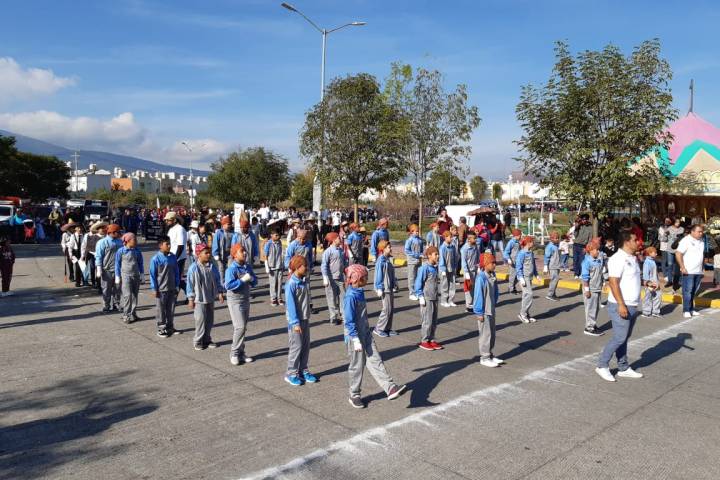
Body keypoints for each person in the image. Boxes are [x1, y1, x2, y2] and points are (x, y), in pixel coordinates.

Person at [344, 264, 406, 408]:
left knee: (375, 359)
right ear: (357, 278)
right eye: (364, 277)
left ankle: (390, 387)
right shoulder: (350, 297)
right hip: (355, 337)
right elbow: (349, 320)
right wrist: (354, 339)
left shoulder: (359, 292)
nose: (367, 278)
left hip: (365, 333)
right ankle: (354, 395)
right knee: (357, 365)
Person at [596, 231, 644, 382]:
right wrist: (621, 305)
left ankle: (623, 367)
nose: (638, 242)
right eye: (635, 240)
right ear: (627, 242)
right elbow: (613, 282)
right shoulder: (618, 258)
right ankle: (602, 365)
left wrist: (648, 284)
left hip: (632, 304)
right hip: (620, 305)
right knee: (619, 337)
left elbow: (633, 279)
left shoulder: (633, 258)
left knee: (624, 337)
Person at [284, 255, 316, 386]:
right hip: (296, 322)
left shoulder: (303, 281)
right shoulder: (291, 284)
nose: (307, 268)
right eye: (305, 266)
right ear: (297, 267)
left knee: (305, 346)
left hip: (304, 318)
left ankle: (303, 369)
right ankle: (291, 373)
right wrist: (295, 323)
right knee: (296, 347)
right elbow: (291, 306)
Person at [186, 243, 225, 351]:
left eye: (209, 253)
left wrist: (220, 292)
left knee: (209, 320)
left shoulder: (212, 266)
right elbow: (190, 284)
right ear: (199, 254)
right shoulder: (193, 268)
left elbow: (217, 280)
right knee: (200, 320)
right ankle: (198, 341)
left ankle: (207, 339)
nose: (208, 255)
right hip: (199, 299)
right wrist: (190, 299)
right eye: (206, 253)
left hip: (210, 297)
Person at [225, 243, 257, 365]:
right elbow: (228, 285)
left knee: (243, 328)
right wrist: (242, 280)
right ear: (234, 255)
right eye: (241, 251)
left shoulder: (247, 267)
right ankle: (234, 353)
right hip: (235, 301)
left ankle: (241, 353)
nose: (244, 253)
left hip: (245, 299)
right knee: (240, 327)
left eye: (244, 251)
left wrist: (252, 279)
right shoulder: (231, 269)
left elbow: (255, 281)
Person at [473, 252, 504, 367]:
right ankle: (484, 357)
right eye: (492, 263)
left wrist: (495, 301)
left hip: (491, 309)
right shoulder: (481, 278)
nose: (494, 265)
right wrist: (479, 312)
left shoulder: (492, 275)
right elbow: (478, 296)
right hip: (484, 311)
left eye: (495, 262)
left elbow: (495, 290)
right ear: (485, 264)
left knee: (492, 333)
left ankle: (490, 354)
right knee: (485, 335)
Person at [150, 235, 181, 338]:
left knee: (171, 309)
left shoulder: (172, 257)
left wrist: (177, 285)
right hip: (161, 289)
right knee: (161, 309)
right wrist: (154, 288)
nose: (169, 246)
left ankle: (170, 326)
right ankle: (161, 328)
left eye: (169, 243)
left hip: (172, 288)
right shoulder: (156, 259)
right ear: (160, 245)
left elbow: (176, 271)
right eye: (166, 244)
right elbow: (153, 275)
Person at [414, 246, 442, 351]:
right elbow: (418, 283)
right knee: (427, 320)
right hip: (427, 298)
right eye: (436, 254)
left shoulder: (435, 267)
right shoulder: (424, 268)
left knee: (434, 320)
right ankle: (424, 340)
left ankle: (432, 339)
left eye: (438, 254)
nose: (438, 256)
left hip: (434, 297)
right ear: (429, 255)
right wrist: (420, 295)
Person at [676, 224, 705, 318]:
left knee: (693, 291)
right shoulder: (686, 240)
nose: (701, 233)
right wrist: (682, 267)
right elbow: (678, 253)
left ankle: (691, 309)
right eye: (699, 231)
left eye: (702, 231)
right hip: (688, 270)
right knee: (687, 291)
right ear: (692, 231)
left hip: (698, 270)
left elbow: (701, 255)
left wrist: (702, 267)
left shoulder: (701, 241)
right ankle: (686, 310)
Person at [115, 232, 144, 324]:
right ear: (127, 241)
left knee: (135, 296)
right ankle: (126, 315)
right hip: (126, 276)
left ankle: (133, 313)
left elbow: (140, 263)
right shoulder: (121, 251)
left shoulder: (137, 250)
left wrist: (142, 274)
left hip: (136, 275)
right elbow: (117, 264)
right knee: (127, 296)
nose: (136, 241)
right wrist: (117, 276)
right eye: (134, 239)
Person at [95, 224, 123, 313]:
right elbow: (98, 256)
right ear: (112, 232)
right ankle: (106, 306)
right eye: (118, 232)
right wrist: (99, 269)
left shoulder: (120, 241)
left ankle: (116, 304)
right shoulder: (102, 242)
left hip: (118, 270)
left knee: (118, 289)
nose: (119, 234)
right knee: (106, 289)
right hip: (106, 270)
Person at [580, 239, 605, 336]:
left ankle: (593, 324)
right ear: (590, 250)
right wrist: (587, 290)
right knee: (591, 308)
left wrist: (603, 282)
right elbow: (585, 277)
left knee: (596, 307)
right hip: (591, 289)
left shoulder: (598, 260)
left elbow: (600, 273)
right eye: (596, 250)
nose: (598, 251)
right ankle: (589, 327)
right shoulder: (586, 262)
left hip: (597, 287)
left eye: (598, 250)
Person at [321, 232, 346, 325]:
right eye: (338, 238)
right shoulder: (328, 251)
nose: (340, 239)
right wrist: (325, 277)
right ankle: (333, 317)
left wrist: (347, 274)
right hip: (331, 279)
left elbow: (344, 263)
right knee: (331, 298)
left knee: (343, 297)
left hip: (340, 278)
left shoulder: (340, 250)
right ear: (333, 240)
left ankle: (344, 315)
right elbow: (324, 265)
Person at [373, 240, 397, 337]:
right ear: (383, 249)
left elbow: (392, 273)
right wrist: (379, 287)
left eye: (390, 247)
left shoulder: (388, 259)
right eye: (388, 247)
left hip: (390, 287)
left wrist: (395, 283)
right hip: (384, 288)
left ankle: (387, 328)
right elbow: (378, 275)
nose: (390, 248)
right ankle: (378, 328)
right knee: (386, 309)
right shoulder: (381, 260)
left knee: (391, 309)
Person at [516, 236, 539, 323]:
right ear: (528, 243)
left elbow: (533, 265)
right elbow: (518, 266)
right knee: (529, 294)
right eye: (532, 241)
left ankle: (526, 314)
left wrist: (536, 274)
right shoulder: (522, 253)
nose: (533, 243)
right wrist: (521, 278)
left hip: (529, 277)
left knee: (525, 296)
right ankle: (522, 314)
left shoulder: (531, 252)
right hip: (524, 277)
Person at [165, 211, 188, 300]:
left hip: (178, 258)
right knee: (175, 278)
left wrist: (175, 258)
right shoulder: (171, 229)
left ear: (174, 220)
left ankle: (187, 294)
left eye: (168, 220)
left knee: (177, 278)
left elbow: (180, 246)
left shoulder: (180, 229)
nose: (166, 222)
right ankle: (188, 294)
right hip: (171, 256)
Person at [82, 221, 106, 290]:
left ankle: (102, 284)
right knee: (95, 269)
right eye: (101, 228)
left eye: (104, 228)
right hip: (94, 256)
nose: (103, 229)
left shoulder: (107, 237)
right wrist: (83, 255)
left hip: (105, 258)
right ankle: (97, 284)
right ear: (98, 229)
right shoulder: (92, 237)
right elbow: (88, 247)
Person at [264, 229, 285, 306]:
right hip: (272, 267)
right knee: (273, 283)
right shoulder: (268, 244)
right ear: (271, 235)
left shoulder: (279, 242)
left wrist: (283, 263)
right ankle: (273, 298)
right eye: (276, 235)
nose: (278, 237)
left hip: (279, 266)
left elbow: (281, 253)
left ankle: (279, 297)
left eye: (279, 235)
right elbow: (265, 255)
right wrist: (267, 266)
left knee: (279, 283)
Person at [461, 231, 480, 313]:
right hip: (468, 272)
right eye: (474, 238)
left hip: (475, 270)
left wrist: (479, 266)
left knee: (474, 288)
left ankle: (473, 303)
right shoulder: (464, 249)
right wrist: (466, 272)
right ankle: (468, 306)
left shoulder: (475, 246)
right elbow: (463, 261)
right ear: (469, 239)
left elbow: (478, 256)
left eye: (476, 238)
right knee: (468, 289)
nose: (476, 239)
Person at [404, 224, 424, 301]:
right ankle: (411, 293)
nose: (417, 233)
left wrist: (422, 254)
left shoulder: (420, 240)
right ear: (412, 232)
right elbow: (407, 250)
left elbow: (421, 249)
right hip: (411, 262)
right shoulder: (409, 240)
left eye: (418, 231)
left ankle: (418, 292)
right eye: (416, 231)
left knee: (418, 277)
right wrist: (416, 255)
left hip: (419, 261)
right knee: (412, 277)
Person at [438, 231, 459, 308]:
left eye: (452, 237)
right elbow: (441, 259)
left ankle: (451, 300)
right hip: (444, 269)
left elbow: (455, 257)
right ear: (445, 237)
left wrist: (455, 267)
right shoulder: (442, 247)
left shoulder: (453, 246)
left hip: (452, 268)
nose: (452, 238)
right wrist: (443, 269)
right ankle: (443, 301)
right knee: (445, 285)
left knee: (452, 285)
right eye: (450, 237)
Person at [641, 246, 662, 318]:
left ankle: (655, 311)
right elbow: (645, 273)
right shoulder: (647, 262)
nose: (656, 254)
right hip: (650, 283)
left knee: (658, 296)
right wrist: (647, 282)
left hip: (655, 282)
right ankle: (646, 312)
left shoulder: (652, 261)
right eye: (655, 252)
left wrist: (658, 281)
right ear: (649, 253)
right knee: (648, 297)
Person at [665, 218, 684, 289]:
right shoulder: (669, 228)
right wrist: (665, 234)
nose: (678, 223)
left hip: (678, 250)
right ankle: (670, 281)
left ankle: (677, 282)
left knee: (678, 267)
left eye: (679, 222)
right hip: (670, 249)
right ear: (673, 222)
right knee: (670, 265)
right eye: (676, 222)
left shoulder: (682, 229)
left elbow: (682, 238)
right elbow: (664, 238)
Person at [503, 229, 522, 294]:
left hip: (518, 261)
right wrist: (508, 259)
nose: (520, 236)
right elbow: (506, 252)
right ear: (516, 235)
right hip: (513, 262)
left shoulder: (518, 241)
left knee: (518, 275)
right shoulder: (511, 242)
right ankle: (511, 289)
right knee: (513, 275)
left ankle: (512, 287)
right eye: (520, 235)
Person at [66, 223, 86, 287]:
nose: (80, 229)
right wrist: (70, 254)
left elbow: (84, 246)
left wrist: (83, 255)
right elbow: (70, 246)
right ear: (76, 229)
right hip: (75, 252)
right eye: (78, 228)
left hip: (81, 252)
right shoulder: (73, 236)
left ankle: (83, 281)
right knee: (78, 267)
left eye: (81, 228)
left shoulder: (83, 236)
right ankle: (78, 282)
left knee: (82, 267)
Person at [543, 231, 561, 301]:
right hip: (552, 266)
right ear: (551, 239)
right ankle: (550, 295)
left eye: (558, 238)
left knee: (556, 280)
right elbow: (546, 257)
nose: (557, 239)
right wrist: (545, 266)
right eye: (556, 238)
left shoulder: (556, 245)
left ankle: (553, 293)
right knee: (554, 280)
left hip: (557, 265)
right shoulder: (549, 246)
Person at [658, 217, 672, 282]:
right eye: (666, 220)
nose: (668, 221)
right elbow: (661, 238)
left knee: (671, 262)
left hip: (671, 247)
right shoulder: (661, 228)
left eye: (669, 220)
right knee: (664, 261)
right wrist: (666, 234)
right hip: (664, 247)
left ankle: (670, 274)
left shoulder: (672, 228)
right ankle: (665, 275)